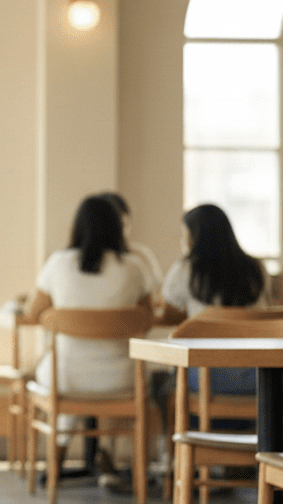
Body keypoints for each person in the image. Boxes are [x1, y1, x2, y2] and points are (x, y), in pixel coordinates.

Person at [27, 195, 152, 448]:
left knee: (61, 363)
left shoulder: (59, 263)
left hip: (65, 377)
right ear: (118, 226)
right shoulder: (135, 267)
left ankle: (58, 451)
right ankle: (108, 450)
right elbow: (146, 320)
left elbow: (33, 313)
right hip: (122, 378)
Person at [159, 202, 268, 394]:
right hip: (255, 378)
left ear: (192, 239)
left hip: (206, 379)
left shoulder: (186, 269)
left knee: (169, 375)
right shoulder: (256, 268)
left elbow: (169, 316)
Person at [95, 191, 164, 305]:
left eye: (124, 225)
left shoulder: (142, 254)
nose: (119, 232)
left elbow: (157, 294)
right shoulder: (80, 262)